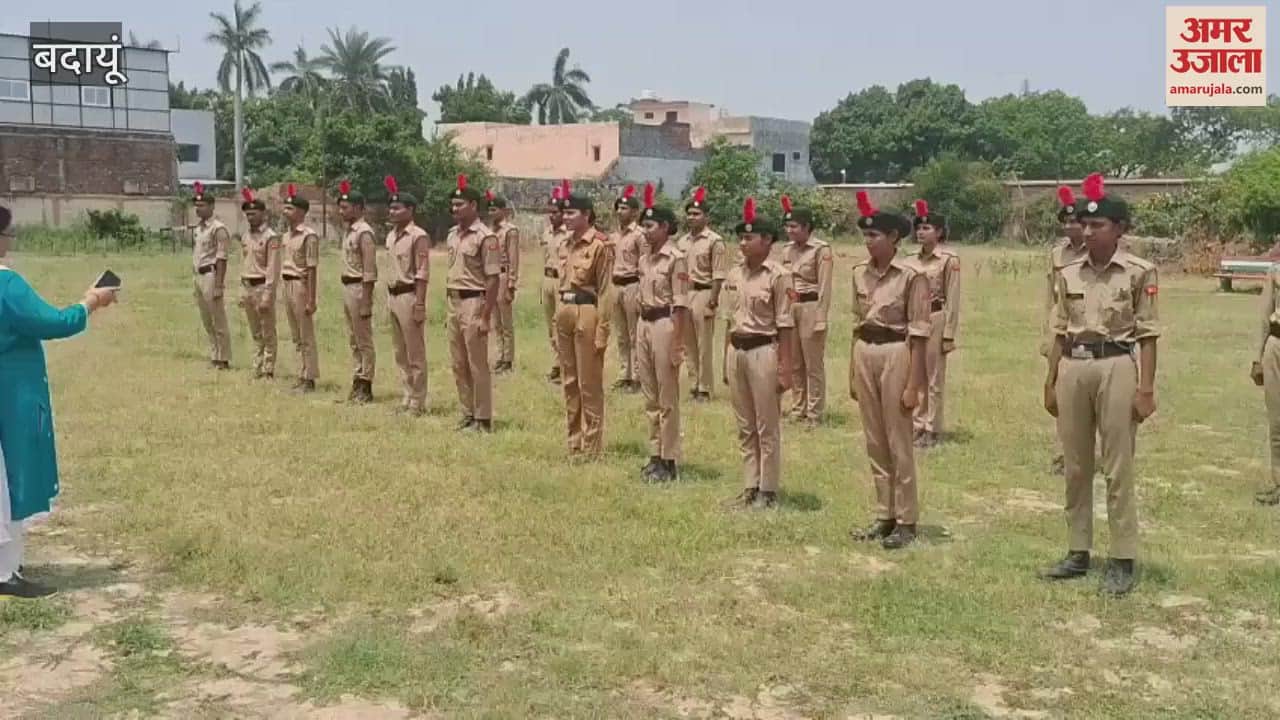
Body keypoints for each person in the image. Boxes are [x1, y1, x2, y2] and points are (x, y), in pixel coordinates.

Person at [1041, 173, 1159, 596]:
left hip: (1116, 365)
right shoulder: (1069, 272)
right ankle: (1078, 551)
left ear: (1119, 229)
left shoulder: (1139, 272)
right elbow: (1059, 328)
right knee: (1075, 464)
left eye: (1098, 225)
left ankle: (1122, 557)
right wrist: (1050, 380)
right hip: (1074, 365)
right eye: (1084, 225)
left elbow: (1148, 334)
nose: (1088, 232)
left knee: (1117, 465)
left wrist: (1146, 389)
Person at [0, 205, 118, 597]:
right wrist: (91, 301)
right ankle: (5, 571)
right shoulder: (7, 285)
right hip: (10, 394)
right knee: (11, 479)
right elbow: (53, 322)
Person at [847, 191, 930, 550]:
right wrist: (852, 371)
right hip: (865, 350)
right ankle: (885, 514)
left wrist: (914, 385)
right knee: (875, 438)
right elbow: (856, 323)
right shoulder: (858, 273)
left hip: (897, 351)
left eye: (875, 235)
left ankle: (907, 520)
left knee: (898, 440)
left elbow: (920, 333)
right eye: (865, 235)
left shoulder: (912, 276)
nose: (868, 241)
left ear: (894, 237)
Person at [722, 199, 794, 510]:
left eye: (749, 238)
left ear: (766, 240)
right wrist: (725, 359)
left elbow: (786, 325)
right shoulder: (734, 275)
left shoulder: (778, 276)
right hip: (737, 349)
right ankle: (750, 484)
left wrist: (785, 368)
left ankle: (768, 489)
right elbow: (728, 320)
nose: (742, 243)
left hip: (764, 349)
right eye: (740, 238)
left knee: (767, 424)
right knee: (745, 423)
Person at [635, 183, 689, 482]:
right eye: (643, 226)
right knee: (650, 395)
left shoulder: (675, 259)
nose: (645, 231)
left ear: (666, 227)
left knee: (667, 396)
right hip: (644, 323)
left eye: (650, 226)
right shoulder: (644, 259)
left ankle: (669, 459)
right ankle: (655, 454)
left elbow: (680, 305)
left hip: (665, 324)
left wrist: (678, 344)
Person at [556, 191, 614, 458]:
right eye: (564, 213)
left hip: (586, 311)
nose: (565, 217)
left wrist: (603, 331)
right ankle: (574, 442)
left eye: (571, 213)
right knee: (569, 381)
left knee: (588, 382)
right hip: (565, 310)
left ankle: (592, 445)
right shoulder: (566, 243)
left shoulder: (600, 245)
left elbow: (605, 291)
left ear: (587, 214)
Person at [446, 175, 502, 432]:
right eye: (453, 205)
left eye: (459, 204)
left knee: (477, 363)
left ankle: (483, 417)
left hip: (474, 302)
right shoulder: (452, 235)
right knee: (458, 362)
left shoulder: (485, 237)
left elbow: (493, 279)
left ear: (473, 205)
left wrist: (485, 315)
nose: (455, 209)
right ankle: (467, 412)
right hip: (454, 302)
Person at [906, 200, 960, 448]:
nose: (921, 232)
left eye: (926, 228)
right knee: (915, 374)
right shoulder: (910, 260)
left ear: (938, 232)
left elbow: (953, 297)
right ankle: (917, 424)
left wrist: (948, 333)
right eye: (918, 228)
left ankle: (932, 428)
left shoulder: (948, 259)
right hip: (913, 320)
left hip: (935, 317)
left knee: (934, 377)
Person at [1044, 187, 1089, 475]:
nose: (1071, 227)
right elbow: (1050, 298)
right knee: (1060, 395)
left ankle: (1087, 452)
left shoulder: (1096, 252)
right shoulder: (1057, 254)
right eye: (1067, 222)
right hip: (1061, 329)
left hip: (1086, 327)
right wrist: (1046, 335)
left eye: (1076, 222)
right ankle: (1064, 452)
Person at [781, 195, 834, 426]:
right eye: (787, 226)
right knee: (794, 362)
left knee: (813, 363)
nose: (789, 231)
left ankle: (814, 412)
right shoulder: (786, 250)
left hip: (811, 306)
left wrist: (821, 317)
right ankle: (798, 407)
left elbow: (825, 286)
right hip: (791, 306)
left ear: (807, 227)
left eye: (794, 226)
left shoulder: (821, 250)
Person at [383, 176, 430, 416]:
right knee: (399, 351)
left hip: (409, 295)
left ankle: (418, 401)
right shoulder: (391, 236)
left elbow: (422, 273)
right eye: (390, 208)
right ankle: (407, 394)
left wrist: (420, 303)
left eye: (397, 208)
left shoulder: (417, 236)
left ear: (410, 210)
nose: (392, 211)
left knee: (415, 352)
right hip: (392, 296)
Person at [677, 187, 726, 401]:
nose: (691, 217)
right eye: (689, 213)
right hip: (685, 293)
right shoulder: (682, 241)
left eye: (696, 214)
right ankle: (694, 383)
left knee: (704, 344)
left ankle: (705, 388)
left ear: (706, 217)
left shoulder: (714, 241)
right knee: (687, 343)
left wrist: (713, 301)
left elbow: (718, 274)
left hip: (704, 292)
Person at [337, 180, 378, 403]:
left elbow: (369, 271)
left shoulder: (364, 233)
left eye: (345, 207)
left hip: (358, 288)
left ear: (358, 208)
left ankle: (366, 383)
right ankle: (357, 376)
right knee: (353, 337)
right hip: (347, 286)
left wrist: (366, 301)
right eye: (340, 207)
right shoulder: (348, 231)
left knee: (363, 339)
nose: (341, 211)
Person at [280, 184, 320, 392]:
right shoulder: (286, 236)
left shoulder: (308, 236)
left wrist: (311, 299)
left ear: (302, 212)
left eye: (290, 209)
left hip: (300, 284)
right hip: (286, 283)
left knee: (305, 334)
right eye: (285, 208)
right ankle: (301, 372)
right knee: (295, 334)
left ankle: (309, 377)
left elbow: (312, 268)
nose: (285, 212)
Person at [237, 188, 280, 380]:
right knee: (255, 331)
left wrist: (268, 294)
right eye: (248, 214)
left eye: (254, 213)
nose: (250, 217)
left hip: (262, 286)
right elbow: (243, 262)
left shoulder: (270, 237)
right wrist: (241, 289)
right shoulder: (245, 236)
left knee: (267, 330)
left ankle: (268, 368)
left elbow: (273, 268)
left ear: (263, 214)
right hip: (248, 285)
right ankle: (257, 366)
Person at [190, 182, 232, 370]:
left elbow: (222, 258)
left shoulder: (218, 228)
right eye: (196, 206)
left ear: (212, 206)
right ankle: (214, 354)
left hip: (211, 275)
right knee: (206, 319)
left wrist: (219, 285)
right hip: (198, 275)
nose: (198, 209)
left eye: (202, 205)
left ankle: (223, 358)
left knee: (218, 319)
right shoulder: (198, 229)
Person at [610, 185, 646, 392]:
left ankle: (638, 377)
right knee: (621, 334)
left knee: (634, 334)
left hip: (632, 284)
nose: (619, 211)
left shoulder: (639, 235)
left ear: (634, 212)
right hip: (616, 285)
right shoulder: (615, 236)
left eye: (624, 208)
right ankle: (624, 373)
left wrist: (643, 292)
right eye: (618, 208)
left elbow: (645, 265)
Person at [486, 192, 520, 374]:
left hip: (503, 276)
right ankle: (500, 355)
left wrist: (511, 284)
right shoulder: (489, 231)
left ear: (503, 210)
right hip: (490, 277)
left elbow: (513, 258)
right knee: (495, 321)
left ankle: (508, 359)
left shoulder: (510, 231)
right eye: (489, 210)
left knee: (506, 322)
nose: (491, 213)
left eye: (494, 209)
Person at [1255, 259, 1280, 506]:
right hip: (1276, 346)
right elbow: (1265, 315)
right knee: (1277, 421)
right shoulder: (1276, 271)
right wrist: (1257, 358)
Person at [540, 186, 572, 382]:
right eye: (549, 213)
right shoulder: (546, 233)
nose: (552, 216)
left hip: (562, 281)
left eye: (555, 213)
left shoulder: (569, 235)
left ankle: (565, 364)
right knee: (550, 325)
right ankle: (556, 362)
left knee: (560, 323)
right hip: (547, 279)